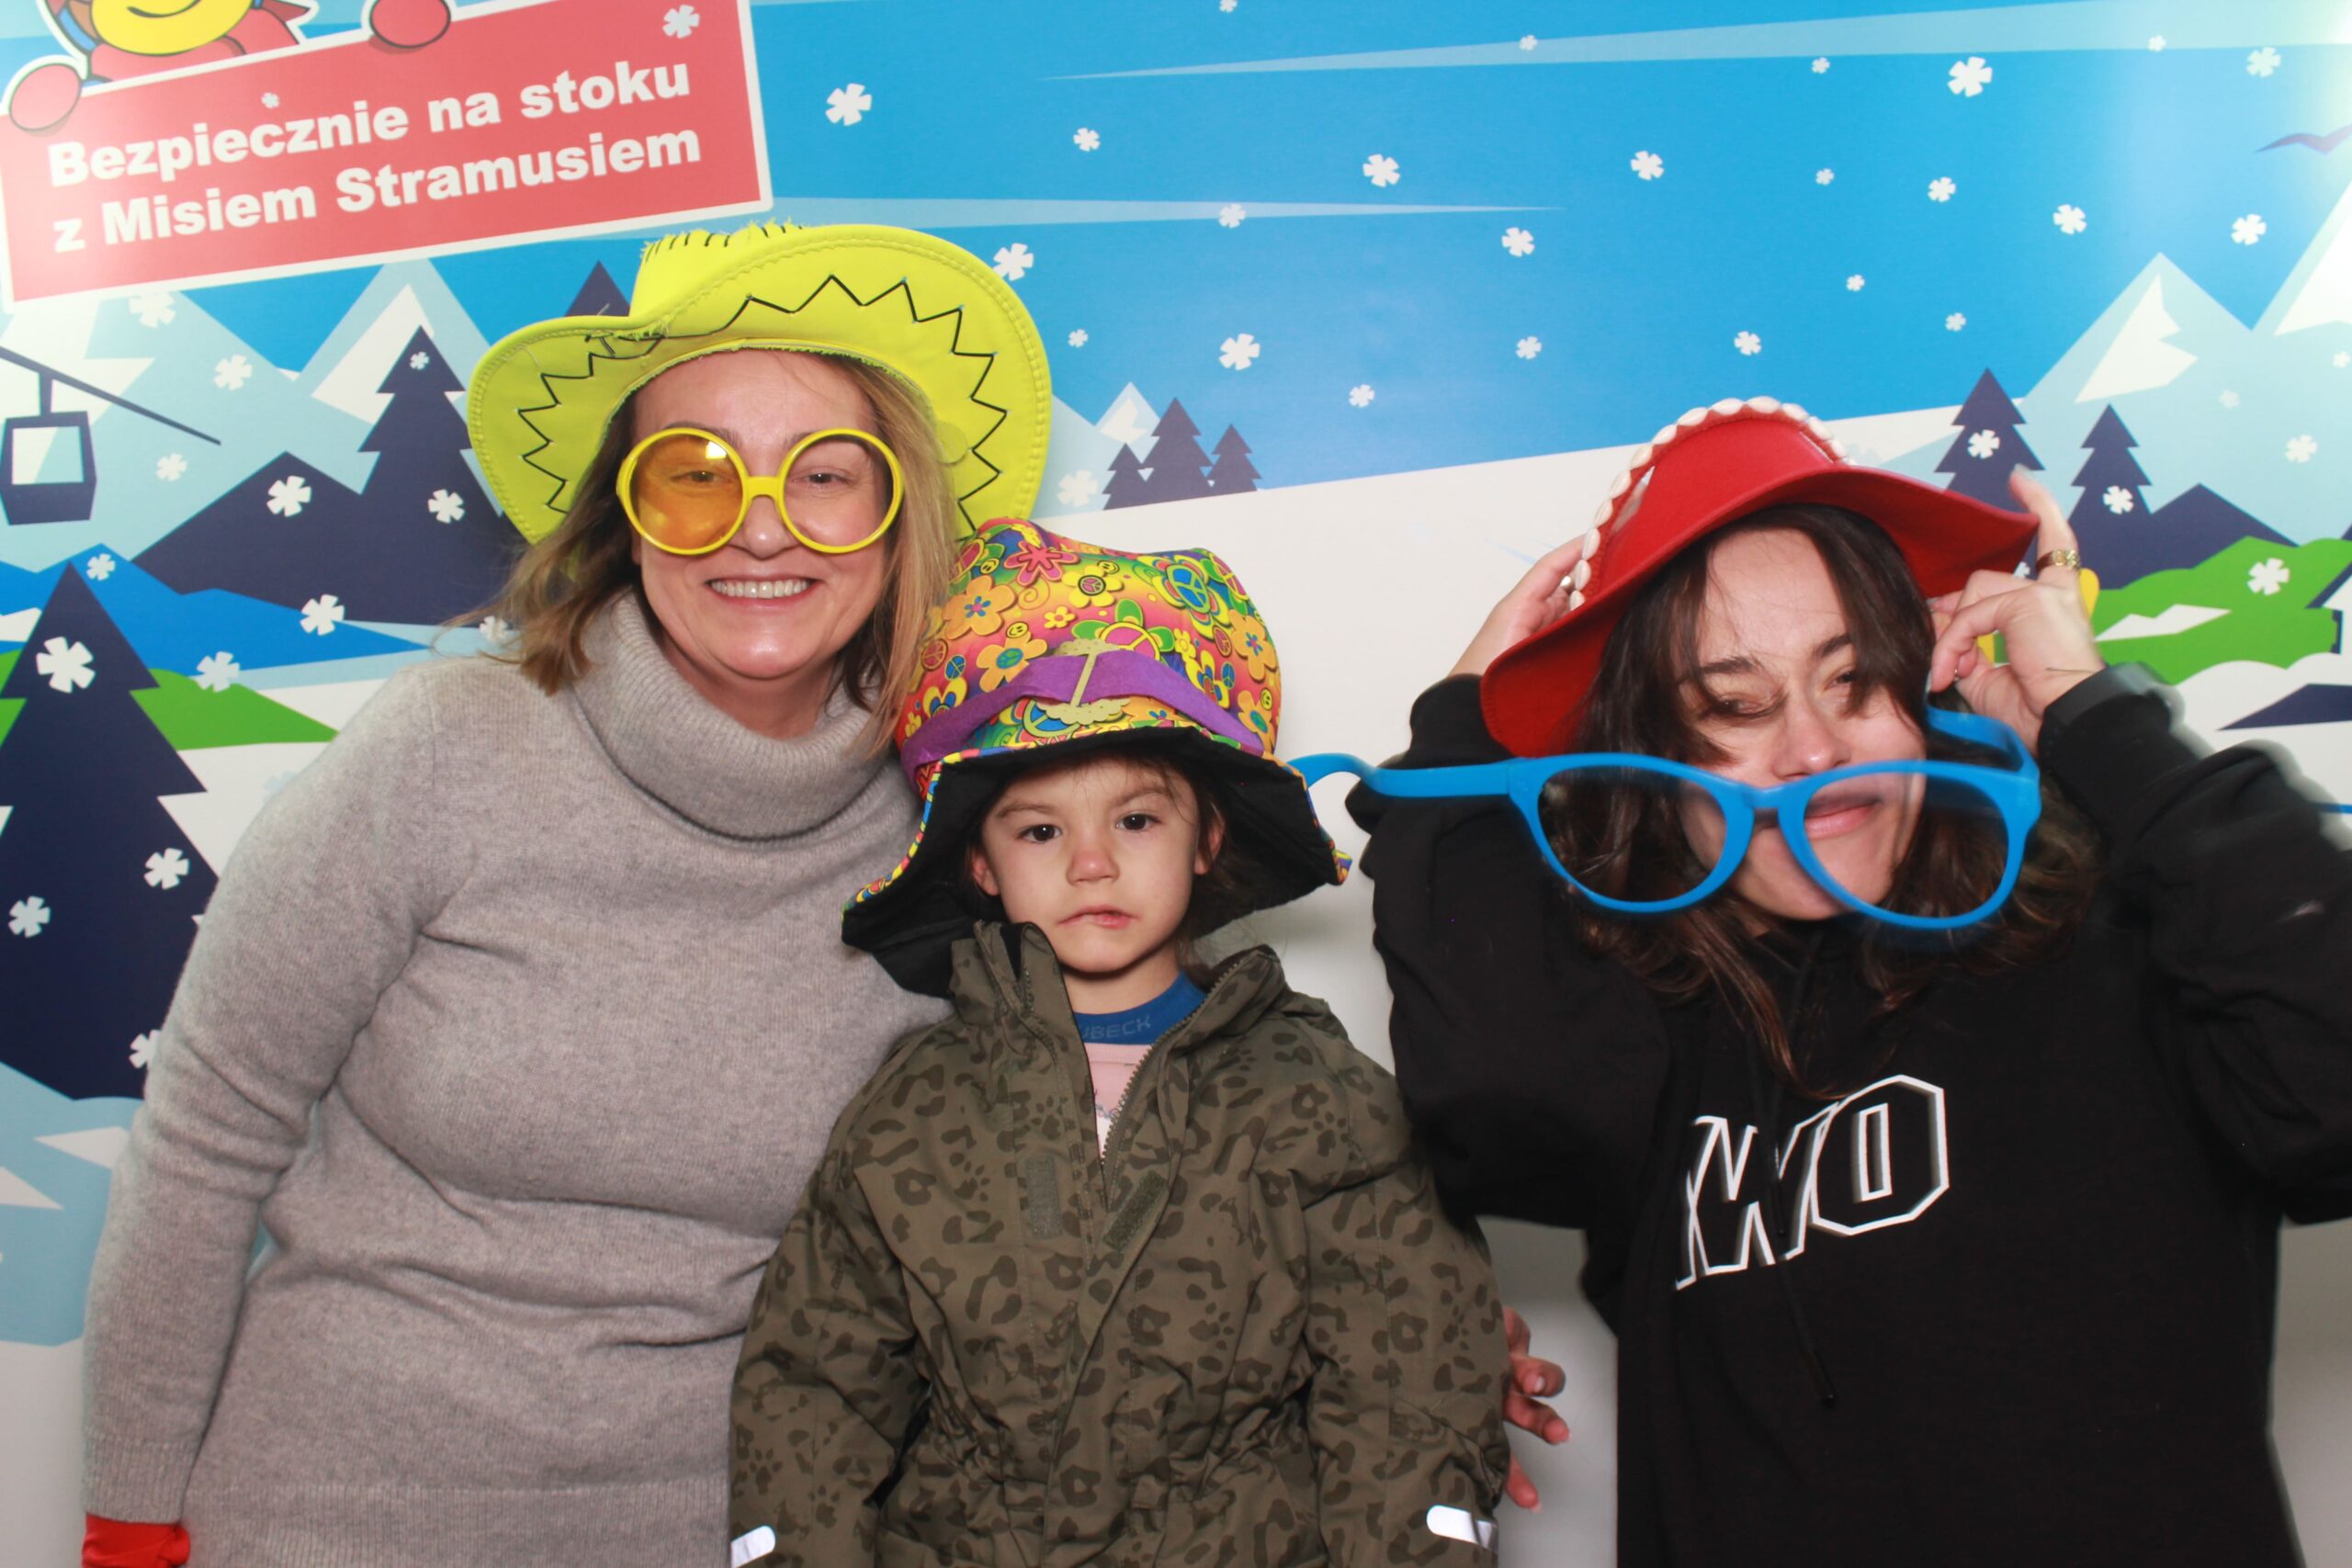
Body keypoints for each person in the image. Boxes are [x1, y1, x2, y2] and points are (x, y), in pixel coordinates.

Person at [77, 222, 1056, 1568]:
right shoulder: (445, 747)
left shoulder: (955, 822)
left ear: (899, 522)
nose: (759, 523)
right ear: (623, 522)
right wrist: (129, 1517)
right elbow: (206, 1136)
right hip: (338, 1506)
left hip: (726, 1523)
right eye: (694, 473)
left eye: (826, 474)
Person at [1341, 397, 2352, 1566]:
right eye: (1733, 705)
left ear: (1917, 697)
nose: (1813, 749)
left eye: (1855, 678)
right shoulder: (1640, 1040)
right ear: (1646, 762)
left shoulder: (2118, 943)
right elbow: (1490, 1096)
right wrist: (1460, 740)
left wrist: (2097, 723)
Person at [728, 520, 1512, 1564]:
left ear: (1208, 839)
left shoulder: (1319, 1096)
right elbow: (816, 1385)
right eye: (1041, 830)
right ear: (980, 866)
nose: (1090, 863)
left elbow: (1407, 1390)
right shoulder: (912, 1107)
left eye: (1136, 820)